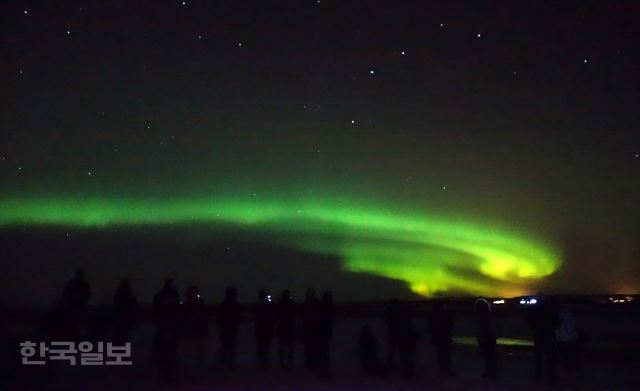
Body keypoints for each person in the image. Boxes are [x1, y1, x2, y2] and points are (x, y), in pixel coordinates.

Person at [525, 293, 559, 384]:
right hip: (548, 333)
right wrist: (552, 328)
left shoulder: (534, 308)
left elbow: (527, 320)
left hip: (539, 333)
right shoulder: (550, 308)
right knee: (550, 356)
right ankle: (551, 376)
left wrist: (534, 327)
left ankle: (538, 376)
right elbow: (557, 321)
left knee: (538, 356)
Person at [151, 279, 182, 379]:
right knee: (169, 348)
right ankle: (167, 370)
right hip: (169, 325)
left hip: (166, 325)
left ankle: (166, 370)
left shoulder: (161, 296)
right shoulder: (173, 296)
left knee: (166, 348)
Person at [61, 270, 92, 339]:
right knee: (73, 321)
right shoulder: (75, 284)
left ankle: (74, 334)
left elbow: (87, 294)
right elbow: (66, 293)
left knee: (77, 321)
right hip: (74, 305)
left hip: (77, 305)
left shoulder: (79, 284)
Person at [182, 286, 208, 368]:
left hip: (195, 329)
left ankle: (194, 361)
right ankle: (195, 361)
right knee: (193, 347)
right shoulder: (196, 303)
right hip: (193, 329)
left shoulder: (189, 304)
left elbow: (203, 317)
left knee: (194, 347)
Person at [427, 300, 454, 377]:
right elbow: (450, 323)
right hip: (445, 337)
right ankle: (448, 370)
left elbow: (430, 327)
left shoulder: (433, 314)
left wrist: (432, 335)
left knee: (440, 354)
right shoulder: (445, 313)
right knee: (446, 355)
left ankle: (442, 370)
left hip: (439, 337)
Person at [555, 300, 582, 375]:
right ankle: (575, 371)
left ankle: (568, 371)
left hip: (563, 339)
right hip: (571, 339)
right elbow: (576, 327)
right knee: (573, 356)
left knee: (565, 357)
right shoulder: (571, 316)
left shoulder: (558, 317)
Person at [474, 298, 497, 379]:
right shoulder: (489, 316)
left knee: (487, 356)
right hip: (490, 337)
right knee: (491, 355)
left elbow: (479, 329)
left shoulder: (479, 317)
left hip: (484, 337)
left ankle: (490, 371)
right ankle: (492, 371)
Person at [218, 286, 241, 369]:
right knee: (231, 347)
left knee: (224, 346)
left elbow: (220, 317)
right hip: (232, 328)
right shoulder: (236, 305)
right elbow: (238, 317)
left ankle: (223, 363)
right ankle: (231, 364)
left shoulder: (224, 304)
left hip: (225, 328)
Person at [301, 288, 321, 371]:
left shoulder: (307, 303)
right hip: (313, 328)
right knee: (312, 347)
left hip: (310, 328)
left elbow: (303, 316)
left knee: (310, 347)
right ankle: (313, 363)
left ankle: (310, 364)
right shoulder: (316, 303)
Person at [113, 278, 139, 345]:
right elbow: (133, 302)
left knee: (120, 332)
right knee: (124, 332)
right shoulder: (128, 292)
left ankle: (118, 345)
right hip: (126, 314)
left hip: (121, 314)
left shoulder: (119, 292)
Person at [254, 289, 275, 369]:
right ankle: (264, 362)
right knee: (265, 346)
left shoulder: (258, 305)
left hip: (261, 328)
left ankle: (262, 362)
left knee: (261, 347)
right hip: (266, 328)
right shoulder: (268, 305)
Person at [276, 289, 296, 370]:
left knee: (283, 346)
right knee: (289, 347)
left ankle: (283, 363)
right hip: (288, 327)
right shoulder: (290, 304)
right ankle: (288, 362)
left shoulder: (280, 304)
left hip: (282, 327)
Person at [384, 298, 402, 370]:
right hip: (397, 332)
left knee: (392, 349)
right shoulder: (398, 311)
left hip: (393, 332)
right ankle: (391, 364)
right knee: (397, 349)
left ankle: (390, 364)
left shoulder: (388, 311)